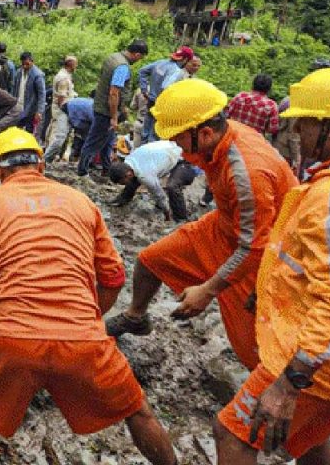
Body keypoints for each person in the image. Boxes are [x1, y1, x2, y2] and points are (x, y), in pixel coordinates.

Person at [0, 128, 177, 465]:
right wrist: (88, 319)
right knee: (138, 411)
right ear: (40, 164)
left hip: (10, 336)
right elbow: (114, 277)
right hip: (83, 339)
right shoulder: (81, 202)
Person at [106, 78, 298, 372]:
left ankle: (277, 395)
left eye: (179, 138)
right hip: (224, 225)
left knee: (252, 346)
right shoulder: (221, 139)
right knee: (149, 260)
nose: (176, 147)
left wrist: (208, 290)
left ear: (205, 132)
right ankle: (135, 317)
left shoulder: (246, 173)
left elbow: (254, 246)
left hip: (262, 253)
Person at [213, 67, 330, 465]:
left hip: (322, 366)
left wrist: (290, 383)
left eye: (305, 123)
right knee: (308, 444)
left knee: (234, 435)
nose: (297, 134)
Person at [78, 40, 148, 177]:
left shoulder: (113, 57)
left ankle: (107, 169)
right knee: (94, 142)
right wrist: (114, 117)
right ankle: (82, 172)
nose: (139, 60)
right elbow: (114, 92)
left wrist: (123, 109)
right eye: (140, 57)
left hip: (100, 105)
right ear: (137, 54)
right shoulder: (122, 67)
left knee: (108, 141)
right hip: (106, 111)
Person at [107, 141, 196, 221]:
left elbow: (159, 194)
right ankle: (122, 199)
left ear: (128, 174)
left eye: (122, 182)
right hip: (170, 148)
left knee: (172, 186)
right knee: (134, 179)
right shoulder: (129, 161)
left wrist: (166, 212)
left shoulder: (145, 176)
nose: (122, 184)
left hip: (184, 159)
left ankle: (180, 218)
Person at [138, 46, 194, 142]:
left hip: (150, 101)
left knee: (145, 132)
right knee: (154, 136)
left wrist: (144, 90)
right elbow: (166, 87)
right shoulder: (177, 71)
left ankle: (140, 153)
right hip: (161, 106)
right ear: (185, 59)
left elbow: (142, 71)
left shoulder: (161, 63)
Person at [44, 57, 79, 160]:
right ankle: (46, 158)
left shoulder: (65, 76)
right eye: (75, 64)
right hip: (62, 110)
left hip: (62, 109)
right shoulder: (63, 78)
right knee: (59, 136)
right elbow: (61, 98)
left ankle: (51, 157)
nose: (76, 66)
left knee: (58, 134)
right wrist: (65, 111)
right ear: (71, 65)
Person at [224, 73, 281, 138]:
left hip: (232, 137)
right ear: (269, 89)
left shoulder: (240, 96)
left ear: (253, 84)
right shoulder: (271, 105)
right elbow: (272, 129)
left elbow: (226, 115)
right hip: (253, 142)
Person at [11, 52, 46, 133]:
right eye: (23, 64)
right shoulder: (19, 72)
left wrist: (39, 111)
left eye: (27, 64)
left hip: (30, 108)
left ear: (32, 61)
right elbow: (14, 88)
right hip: (18, 105)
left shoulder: (38, 75)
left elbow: (42, 94)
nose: (25, 66)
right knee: (16, 128)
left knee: (28, 131)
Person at [273, 97, 301, 171]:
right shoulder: (296, 107)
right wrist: (296, 158)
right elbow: (293, 134)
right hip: (286, 150)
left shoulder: (287, 100)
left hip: (276, 143)